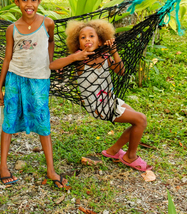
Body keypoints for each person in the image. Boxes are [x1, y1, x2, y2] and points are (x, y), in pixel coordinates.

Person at [49, 19, 152, 171]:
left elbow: (121, 72)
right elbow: (52, 65)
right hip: (98, 106)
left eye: (91, 36)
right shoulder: (80, 57)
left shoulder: (104, 56)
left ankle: (113, 151)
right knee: (141, 119)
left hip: (110, 100)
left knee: (138, 121)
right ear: (78, 43)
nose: (87, 40)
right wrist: (72, 58)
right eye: (83, 37)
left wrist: (114, 51)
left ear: (100, 40)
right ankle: (130, 157)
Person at [0, 0, 69, 188]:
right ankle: (3, 166)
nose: (29, 4)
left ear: (39, 1)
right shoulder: (12, 29)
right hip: (15, 79)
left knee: (43, 122)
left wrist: (50, 62)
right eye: (24, 0)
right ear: (17, 2)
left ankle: (51, 170)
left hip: (39, 81)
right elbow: (7, 58)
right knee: (9, 121)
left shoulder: (48, 23)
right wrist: (0, 88)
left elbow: (51, 41)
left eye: (34, 0)